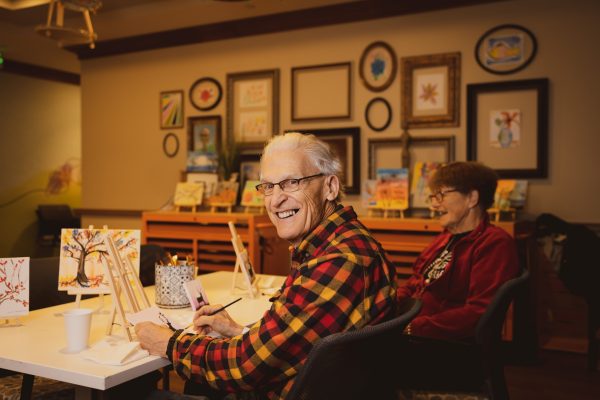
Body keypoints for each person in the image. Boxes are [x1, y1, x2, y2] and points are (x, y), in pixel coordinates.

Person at [136, 132, 397, 399]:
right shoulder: (333, 243)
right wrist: (237, 331)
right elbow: (301, 342)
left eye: (291, 183)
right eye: (268, 187)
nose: (275, 200)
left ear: (330, 187)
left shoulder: (340, 260)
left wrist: (169, 343)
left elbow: (245, 367)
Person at [394, 161, 519, 390]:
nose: (435, 204)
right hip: (419, 334)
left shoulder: (495, 243)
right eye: (433, 196)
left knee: (358, 361)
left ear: (472, 198)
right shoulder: (446, 237)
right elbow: (417, 283)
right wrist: (390, 304)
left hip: (448, 348)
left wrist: (414, 327)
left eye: (441, 195)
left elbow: (479, 312)